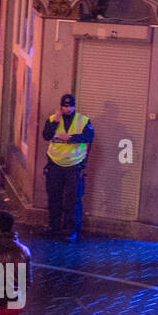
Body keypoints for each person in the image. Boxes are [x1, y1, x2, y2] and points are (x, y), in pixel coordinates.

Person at [42, 94, 94, 241]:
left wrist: (71, 138)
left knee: (73, 199)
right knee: (54, 197)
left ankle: (71, 230)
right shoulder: (53, 119)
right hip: (55, 164)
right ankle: (54, 227)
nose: (68, 108)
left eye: (70, 106)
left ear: (74, 106)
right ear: (60, 106)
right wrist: (56, 120)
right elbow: (46, 135)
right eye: (65, 106)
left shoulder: (83, 121)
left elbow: (89, 136)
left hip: (74, 165)